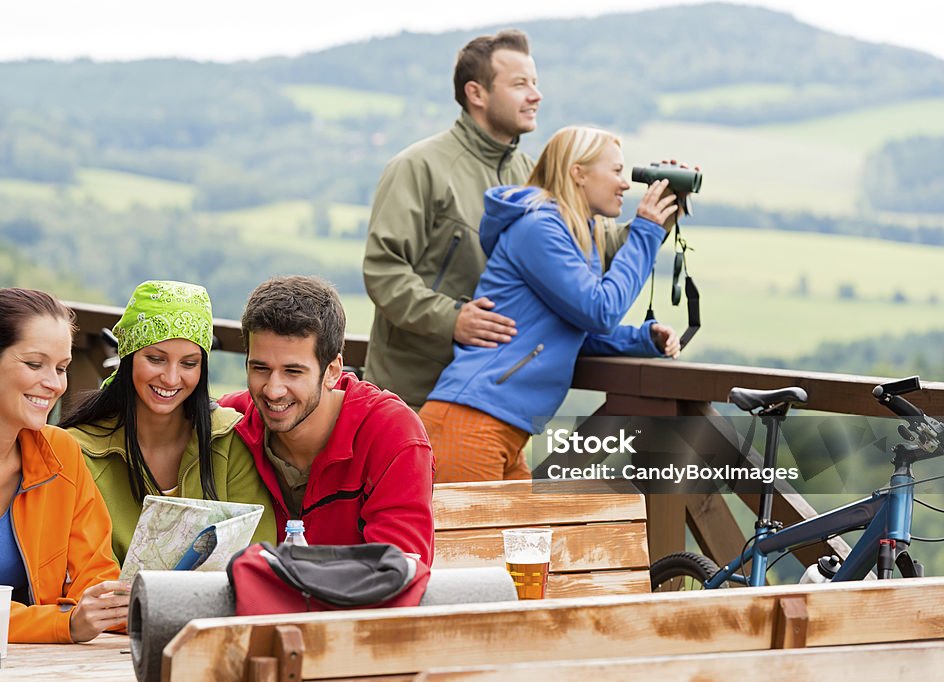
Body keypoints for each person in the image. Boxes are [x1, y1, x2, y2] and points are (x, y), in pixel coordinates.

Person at [420, 126, 682, 483]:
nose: (625, 184)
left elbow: (568, 331)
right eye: (617, 171)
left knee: (528, 541)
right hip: (471, 421)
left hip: (504, 429)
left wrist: (641, 340)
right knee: (475, 542)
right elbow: (600, 310)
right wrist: (647, 231)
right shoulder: (539, 229)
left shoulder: (575, 233)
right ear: (578, 172)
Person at [0, 288, 126, 643]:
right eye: (34, 364)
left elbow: (95, 575)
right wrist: (65, 624)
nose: (54, 383)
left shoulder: (62, 453)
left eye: (62, 368)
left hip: (35, 663)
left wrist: (117, 609)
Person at [363, 29, 541, 409]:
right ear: (476, 93)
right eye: (520, 84)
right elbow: (383, 272)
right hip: (413, 398)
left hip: (494, 398)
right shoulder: (418, 166)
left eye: (535, 83)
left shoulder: (532, 176)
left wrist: (650, 222)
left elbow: (571, 255)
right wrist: (452, 319)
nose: (535, 95)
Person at [218, 276, 435, 562]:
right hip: (259, 604)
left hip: (360, 606)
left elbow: (399, 573)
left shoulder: (393, 433)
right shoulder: (231, 422)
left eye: (293, 372)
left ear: (332, 370)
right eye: (260, 368)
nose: (273, 389)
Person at [60, 280, 275, 565]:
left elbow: (257, 553)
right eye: (156, 359)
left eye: (189, 364)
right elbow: (88, 570)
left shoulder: (230, 439)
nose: (172, 379)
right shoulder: (80, 452)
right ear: (128, 357)